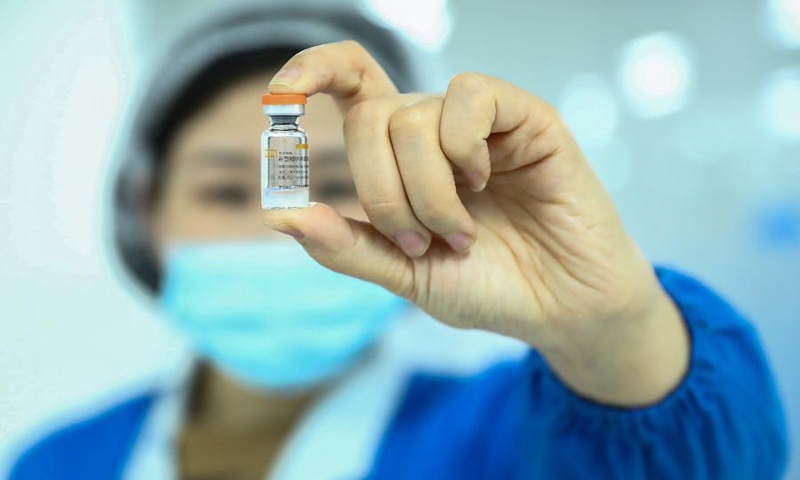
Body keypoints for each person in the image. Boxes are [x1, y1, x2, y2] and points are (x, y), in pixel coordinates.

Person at [8, 4, 788, 480]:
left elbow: (708, 469)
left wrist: (605, 320)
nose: (286, 226)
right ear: (145, 211)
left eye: (341, 187)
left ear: (414, 195)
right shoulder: (56, 466)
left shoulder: (506, 438)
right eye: (224, 191)